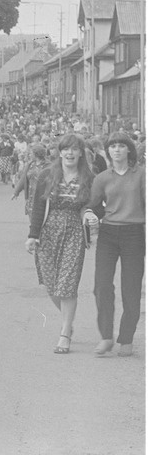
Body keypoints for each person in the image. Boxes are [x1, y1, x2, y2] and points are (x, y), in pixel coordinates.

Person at [25, 134, 95, 355]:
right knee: (51, 284)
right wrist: (32, 235)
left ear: (81, 152)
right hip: (48, 230)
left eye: (74, 149)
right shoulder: (47, 174)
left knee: (68, 283)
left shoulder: (88, 177)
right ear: (59, 152)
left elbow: (93, 204)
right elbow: (38, 206)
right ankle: (68, 321)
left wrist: (90, 213)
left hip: (74, 229)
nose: (70, 153)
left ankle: (65, 333)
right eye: (66, 149)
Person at [84, 132, 146, 357]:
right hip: (109, 233)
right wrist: (90, 214)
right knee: (101, 286)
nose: (117, 149)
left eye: (121, 146)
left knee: (131, 289)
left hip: (134, 233)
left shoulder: (141, 175)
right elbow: (94, 205)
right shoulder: (102, 177)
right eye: (113, 146)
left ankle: (126, 338)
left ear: (129, 150)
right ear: (107, 151)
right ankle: (106, 336)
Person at [12, 144, 49, 218]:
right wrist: (16, 192)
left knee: (42, 218)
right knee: (32, 218)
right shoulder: (30, 165)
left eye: (30, 153)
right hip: (31, 197)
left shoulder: (48, 165)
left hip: (42, 197)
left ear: (36, 154)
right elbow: (23, 179)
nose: (29, 155)